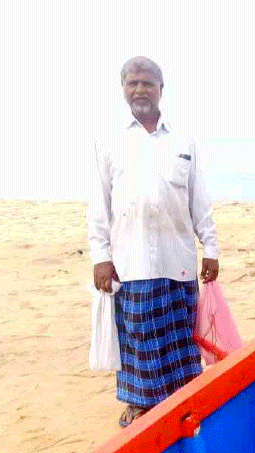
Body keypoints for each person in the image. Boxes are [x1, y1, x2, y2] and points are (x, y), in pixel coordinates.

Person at [87, 56, 219, 427]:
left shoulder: (183, 138)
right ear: (123, 89)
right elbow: (99, 203)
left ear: (162, 88)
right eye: (132, 83)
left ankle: (183, 409)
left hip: (178, 262)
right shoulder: (109, 140)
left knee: (180, 346)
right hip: (131, 265)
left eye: (147, 82)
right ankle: (141, 413)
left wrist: (211, 247)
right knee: (139, 343)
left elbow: (199, 199)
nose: (140, 89)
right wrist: (100, 255)